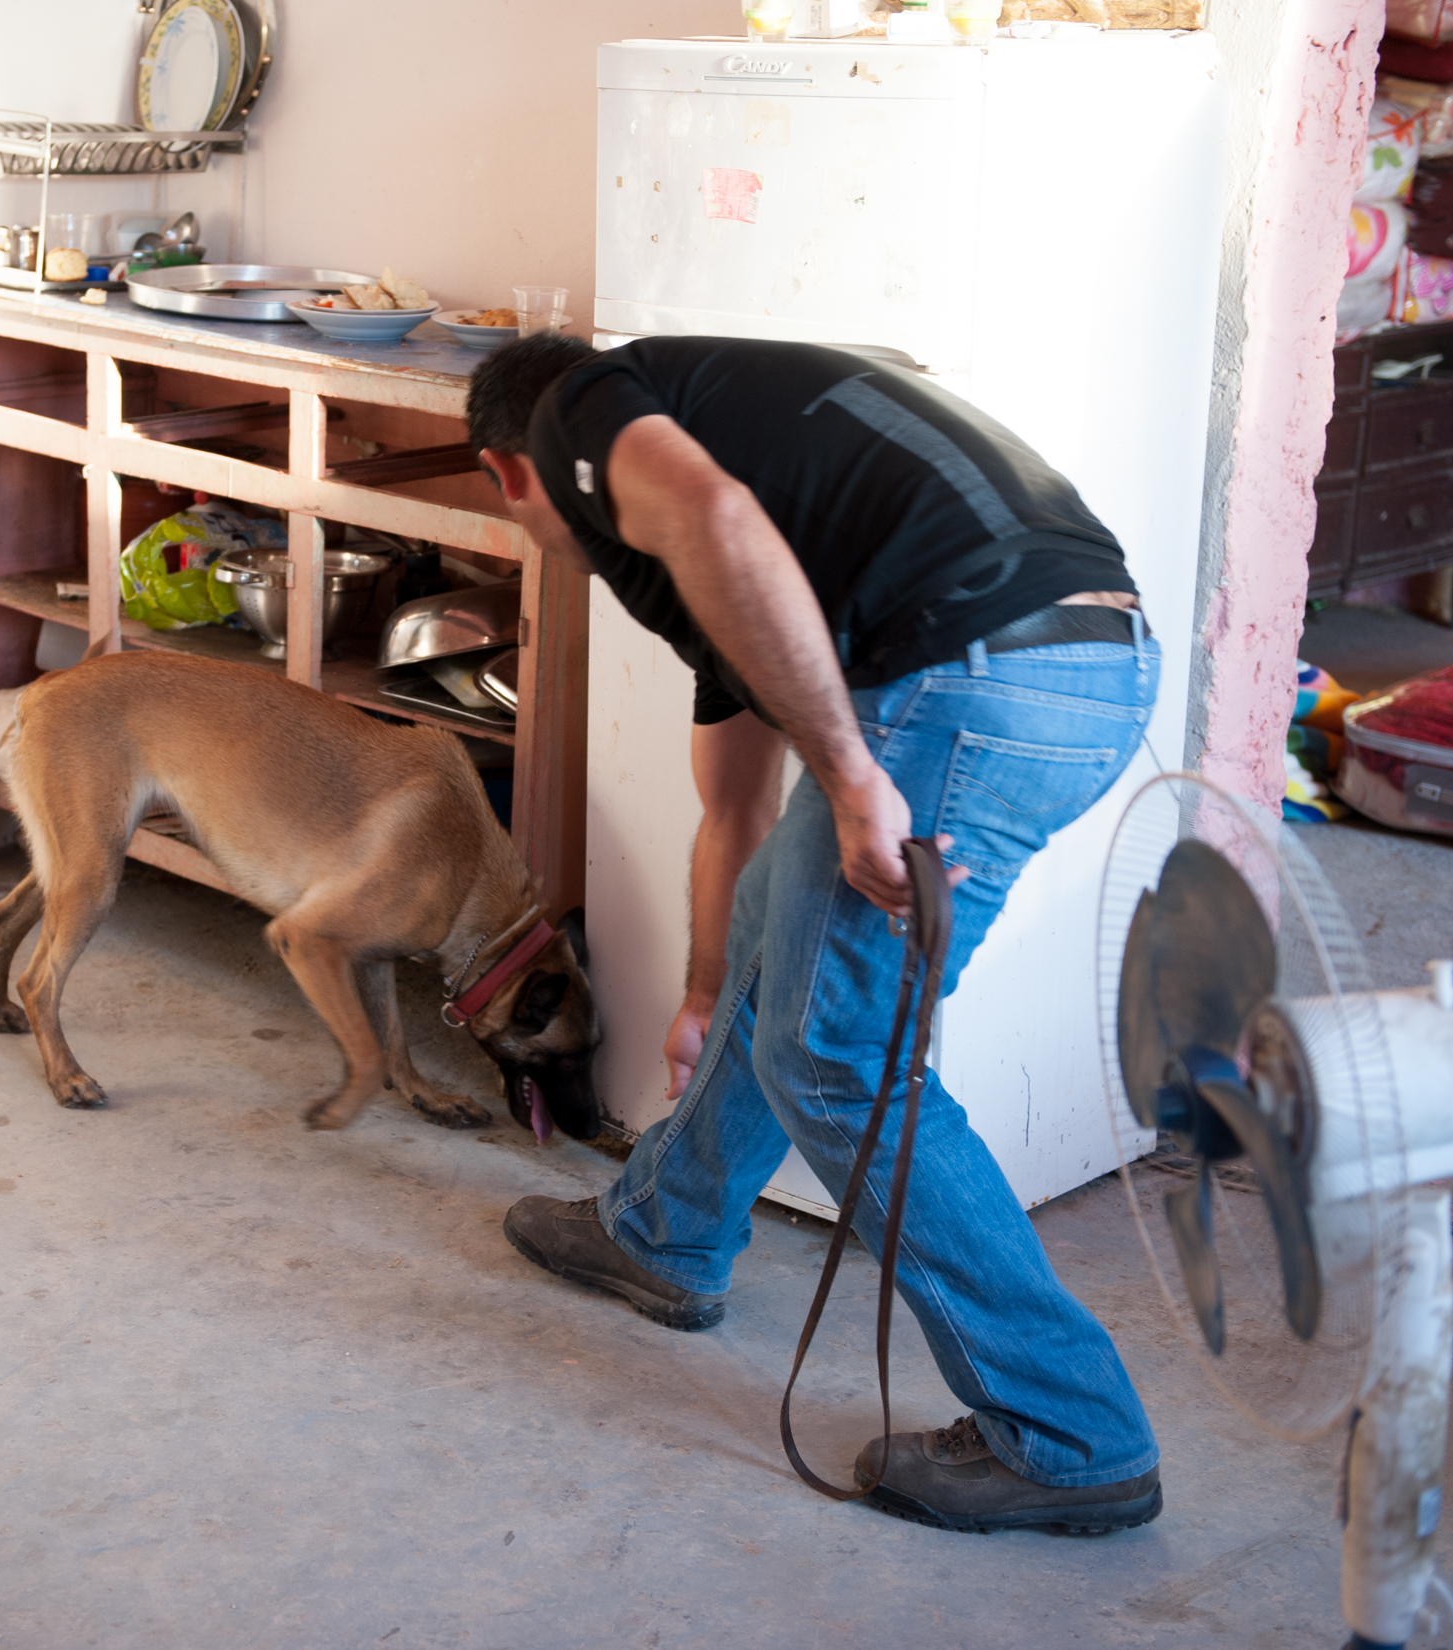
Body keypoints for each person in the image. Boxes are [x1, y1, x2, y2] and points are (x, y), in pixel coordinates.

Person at [465, 332, 1164, 1534]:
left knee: (838, 1061)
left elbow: (721, 518)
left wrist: (846, 775)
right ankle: (664, 1234)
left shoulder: (587, 416)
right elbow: (732, 809)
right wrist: (697, 991)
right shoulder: (723, 572)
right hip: (1070, 666)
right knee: (776, 969)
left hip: (966, 673)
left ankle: (1069, 1435)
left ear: (506, 472)